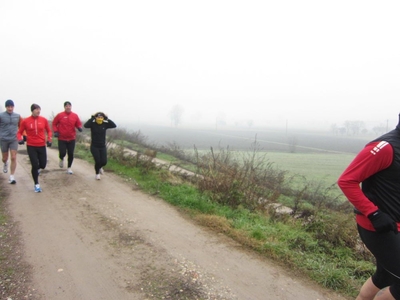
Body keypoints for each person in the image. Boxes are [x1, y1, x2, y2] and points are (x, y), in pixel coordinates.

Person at [338, 114, 400, 300]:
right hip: (378, 226)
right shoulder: (385, 148)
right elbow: (347, 181)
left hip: (396, 224)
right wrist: (373, 213)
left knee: (386, 275)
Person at [17, 104, 52, 192]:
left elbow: (49, 131)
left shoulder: (43, 120)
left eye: (39, 109)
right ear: (32, 110)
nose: (38, 111)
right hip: (31, 145)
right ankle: (36, 184)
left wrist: (49, 139)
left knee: (43, 165)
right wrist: (20, 139)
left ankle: (37, 170)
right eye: (36, 109)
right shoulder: (26, 121)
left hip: (41, 145)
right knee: (34, 164)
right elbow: (19, 132)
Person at [52, 101, 83, 174]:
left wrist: (79, 127)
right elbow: (54, 123)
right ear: (64, 107)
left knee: (71, 153)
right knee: (62, 152)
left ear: (71, 107)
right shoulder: (60, 115)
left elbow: (78, 123)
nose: (68, 107)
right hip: (62, 138)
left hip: (71, 137)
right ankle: (61, 158)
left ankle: (69, 168)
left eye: (69, 106)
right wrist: (56, 131)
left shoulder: (75, 115)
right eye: (66, 106)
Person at [83, 112, 116, 180]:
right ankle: (97, 174)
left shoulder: (105, 124)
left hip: (102, 146)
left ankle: (100, 167)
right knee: (97, 161)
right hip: (94, 146)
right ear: (96, 118)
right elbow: (85, 125)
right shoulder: (93, 124)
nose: (100, 119)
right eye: (98, 117)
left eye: (101, 117)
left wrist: (107, 119)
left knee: (104, 162)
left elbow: (114, 125)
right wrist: (92, 118)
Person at [0, 99, 22, 184]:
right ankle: (5, 163)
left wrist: (21, 136)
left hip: (13, 139)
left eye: (11, 106)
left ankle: (12, 176)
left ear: (13, 107)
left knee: (13, 157)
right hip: (3, 139)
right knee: (4, 158)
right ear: (6, 107)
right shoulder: (1, 115)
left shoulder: (17, 116)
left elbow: (21, 126)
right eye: (8, 107)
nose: (10, 108)